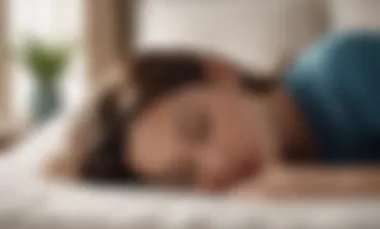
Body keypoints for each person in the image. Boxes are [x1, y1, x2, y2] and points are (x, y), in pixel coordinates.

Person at [47, 30, 380, 198]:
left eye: (200, 128)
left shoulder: (345, 69)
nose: (216, 167)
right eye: (184, 176)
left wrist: (326, 185)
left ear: (222, 73)